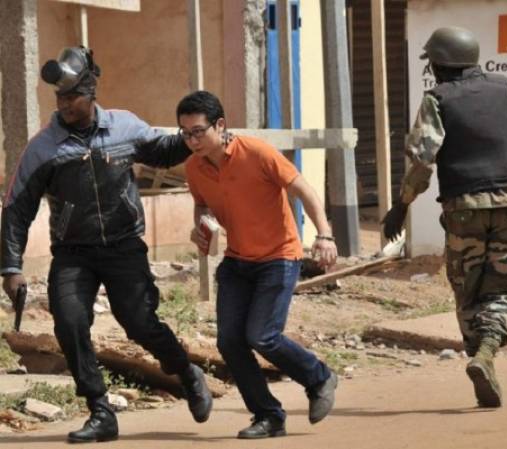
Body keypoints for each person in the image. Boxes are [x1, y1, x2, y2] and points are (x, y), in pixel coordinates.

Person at [0, 47, 212, 443]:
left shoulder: (125, 127)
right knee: (70, 322)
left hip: (123, 246)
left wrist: (195, 136)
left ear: (90, 92)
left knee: (139, 322)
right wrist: (11, 267)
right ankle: (100, 411)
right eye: (59, 98)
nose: (63, 105)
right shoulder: (43, 147)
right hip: (73, 253)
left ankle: (186, 373)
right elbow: (16, 208)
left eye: (71, 97)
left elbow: (163, 152)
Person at [382, 27, 507, 408]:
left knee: (467, 288)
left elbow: (422, 157)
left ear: (441, 64)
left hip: (463, 207)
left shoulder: (437, 99)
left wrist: (402, 204)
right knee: (502, 287)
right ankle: (488, 353)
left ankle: (479, 354)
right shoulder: (506, 88)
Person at [178, 90, 338, 439]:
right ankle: (268, 415)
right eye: (185, 134)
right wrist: (201, 227)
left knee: (262, 336)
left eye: (198, 131)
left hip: (278, 258)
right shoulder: (194, 167)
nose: (192, 141)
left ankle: (319, 377)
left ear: (220, 125)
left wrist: (324, 235)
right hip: (237, 262)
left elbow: (305, 191)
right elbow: (202, 205)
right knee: (230, 342)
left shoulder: (258, 153)